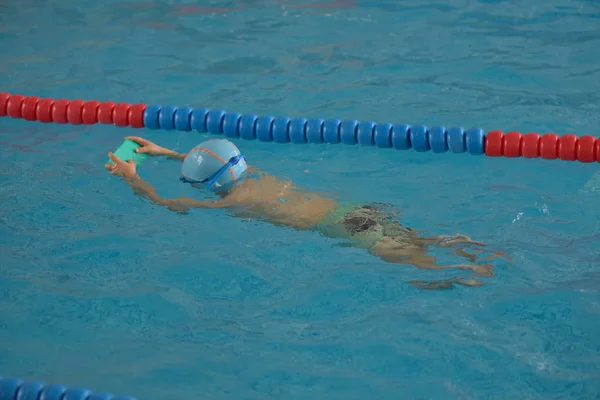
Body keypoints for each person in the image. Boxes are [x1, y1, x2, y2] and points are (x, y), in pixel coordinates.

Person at [106, 136, 505, 288]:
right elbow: (217, 165)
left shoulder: (230, 201)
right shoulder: (257, 176)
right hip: (350, 209)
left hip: (340, 228)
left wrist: (131, 178)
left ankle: (454, 273)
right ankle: (458, 245)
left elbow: (165, 204)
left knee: (401, 255)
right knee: (405, 235)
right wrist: (167, 152)